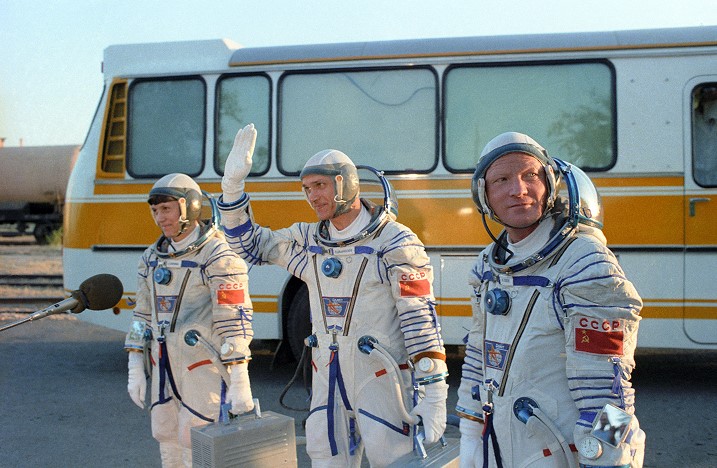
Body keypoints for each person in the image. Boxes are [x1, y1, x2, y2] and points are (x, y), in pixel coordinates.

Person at [218, 124, 448, 467]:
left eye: (320, 186)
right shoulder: (309, 242)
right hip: (328, 379)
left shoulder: (394, 242)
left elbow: (419, 319)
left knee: (391, 457)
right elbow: (248, 246)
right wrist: (232, 187)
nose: (313, 196)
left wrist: (434, 391)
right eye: (307, 189)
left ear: (347, 183)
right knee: (324, 456)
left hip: (381, 380)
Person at [456, 132, 646, 468]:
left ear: (550, 184)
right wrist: (471, 431)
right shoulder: (488, 265)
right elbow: (478, 352)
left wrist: (608, 457)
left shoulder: (584, 263)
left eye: (530, 175)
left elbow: (612, 387)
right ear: (483, 196)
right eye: (501, 180)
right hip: (499, 444)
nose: (518, 190)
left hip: (562, 451)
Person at [124, 173, 255, 468]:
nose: (160, 218)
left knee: (195, 437)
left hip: (203, 366)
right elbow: (142, 314)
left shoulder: (219, 256)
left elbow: (233, 318)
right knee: (165, 432)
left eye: (166, 209)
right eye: (155, 210)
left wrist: (239, 377)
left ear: (189, 207)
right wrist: (134, 363)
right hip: (164, 364)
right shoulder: (151, 258)